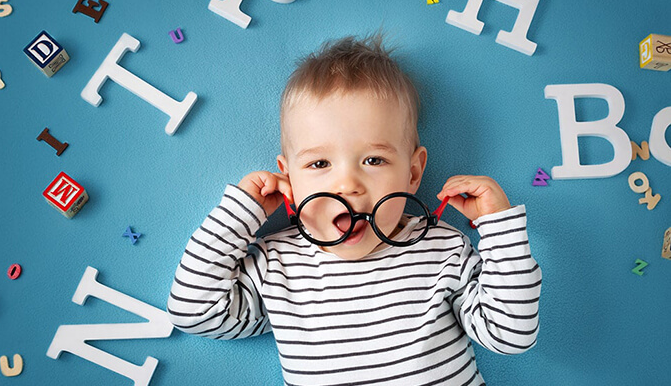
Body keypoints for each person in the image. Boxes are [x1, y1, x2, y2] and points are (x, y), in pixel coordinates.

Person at [167, 34, 541, 386]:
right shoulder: (276, 266)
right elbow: (193, 311)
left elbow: (511, 335)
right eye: (319, 165)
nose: (347, 184)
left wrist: (498, 227)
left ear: (412, 173)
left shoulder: (445, 250)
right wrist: (242, 212)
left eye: (374, 160)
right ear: (289, 178)